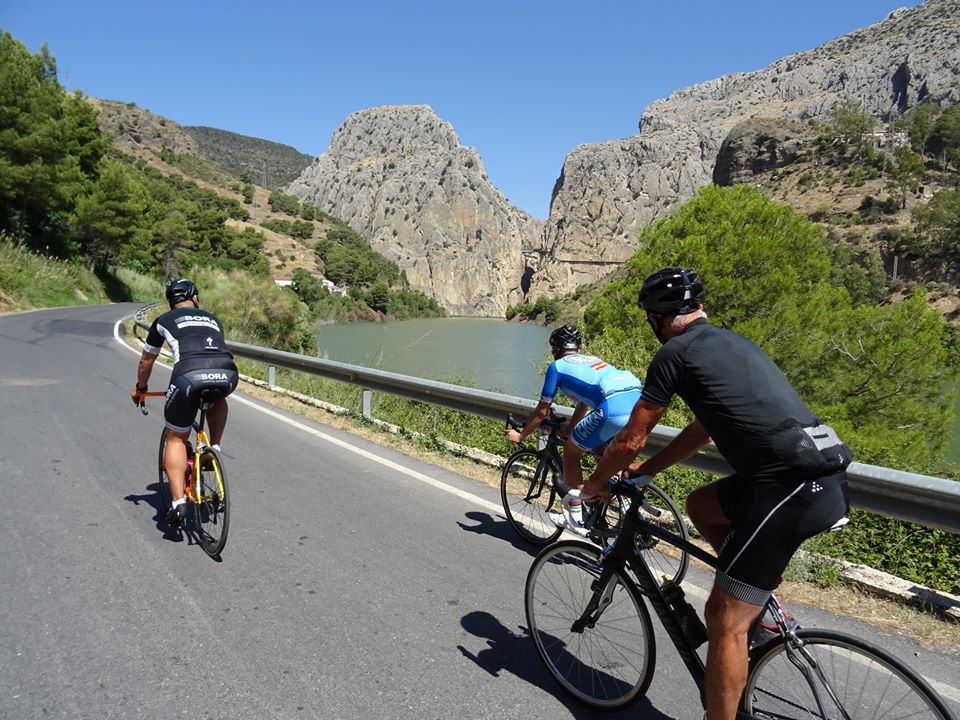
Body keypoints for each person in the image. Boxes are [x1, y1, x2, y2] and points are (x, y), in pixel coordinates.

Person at [576, 267, 851, 720]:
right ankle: (759, 610)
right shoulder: (732, 342)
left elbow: (630, 437)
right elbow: (704, 427)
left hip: (788, 488)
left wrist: (591, 486)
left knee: (722, 619)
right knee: (700, 506)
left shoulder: (674, 353)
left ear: (656, 317)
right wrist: (645, 473)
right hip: (823, 475)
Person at [506, 324, 642, 526]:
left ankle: (577, 512)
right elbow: (584, 404)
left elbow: (542, 411)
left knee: (571, 454)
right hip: (637, 403)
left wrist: (521, 436)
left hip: (611, 407)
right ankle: (629, 509)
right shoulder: (592, 360)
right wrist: (569, 430)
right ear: (577, 348)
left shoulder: (557, 367)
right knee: (604, 452)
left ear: (555, 350)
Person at [131, 278, 239, 527]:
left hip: (188, 377)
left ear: (171, 301)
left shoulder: (163, 321)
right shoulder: (212, 318)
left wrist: (141, 389)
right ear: (195, 298)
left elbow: (146, 361)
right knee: (217, 394)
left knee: (176, 437)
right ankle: (215, 448)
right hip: (228, 373)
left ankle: (179, 503)